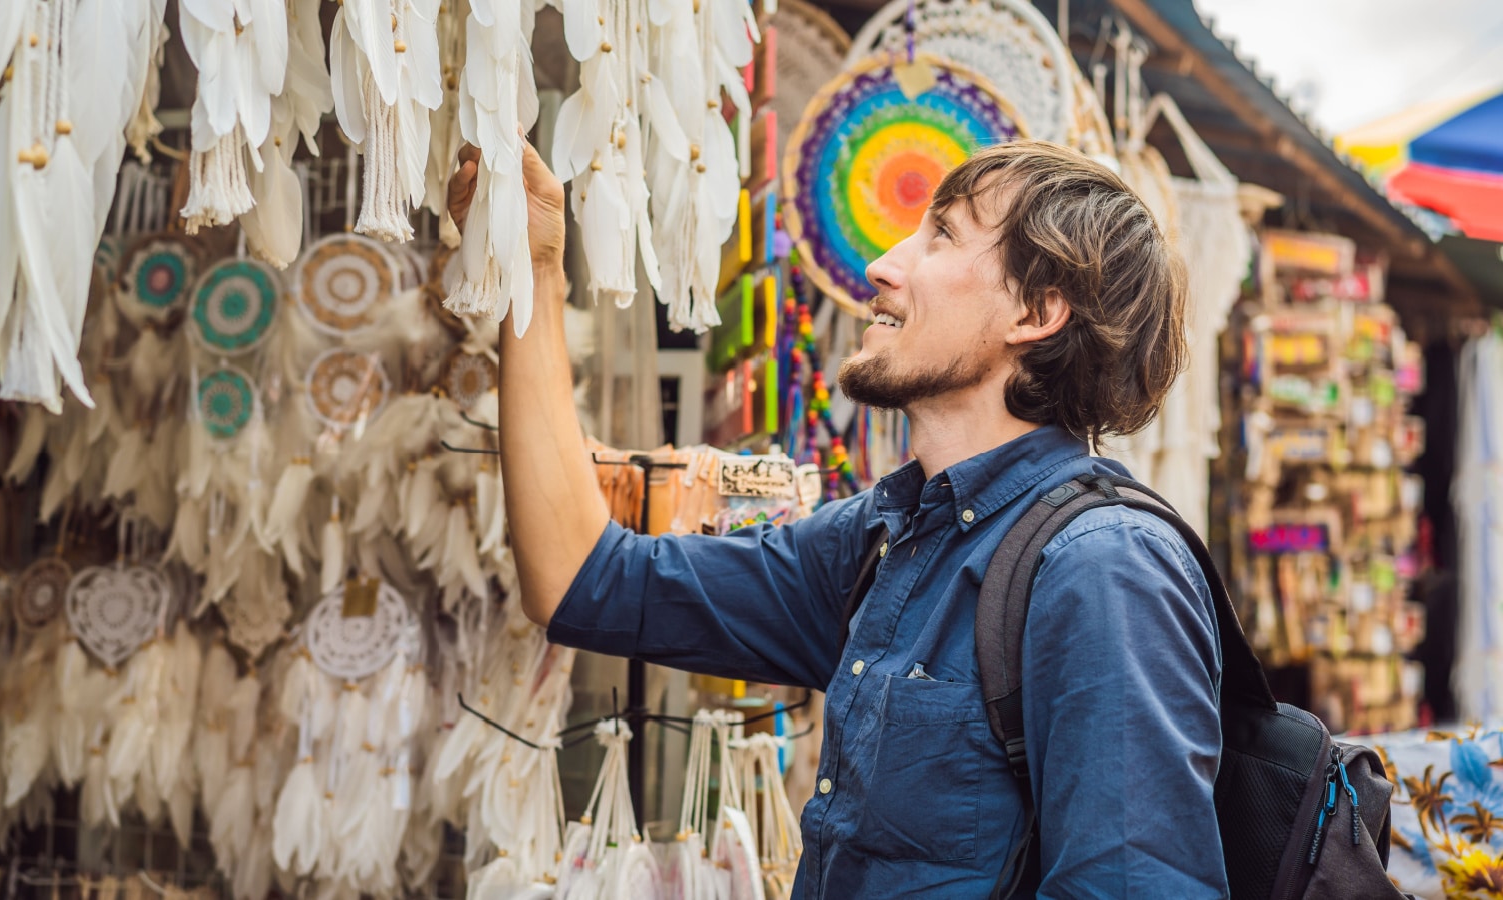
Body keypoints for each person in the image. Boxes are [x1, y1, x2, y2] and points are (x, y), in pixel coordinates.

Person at [446, 137, 1226, 898]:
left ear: (1037, 310)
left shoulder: (1103, 567)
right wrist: (539, 270)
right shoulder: (887, 539)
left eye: (943, 235)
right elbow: (584, 581)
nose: (880, 267)